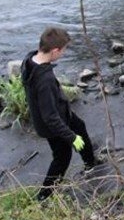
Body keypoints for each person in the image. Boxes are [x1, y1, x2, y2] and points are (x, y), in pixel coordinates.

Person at [21, 27, 100, 201]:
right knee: (62, 158)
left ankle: (90, 163)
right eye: (63, 51)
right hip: (52, 126)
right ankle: (44, 197)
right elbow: (50, 117)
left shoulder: (30, 59)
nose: (63, 54)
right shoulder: (44, 79)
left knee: (80, 125)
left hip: (61, 114)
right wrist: (72, 137)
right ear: (55, 50)